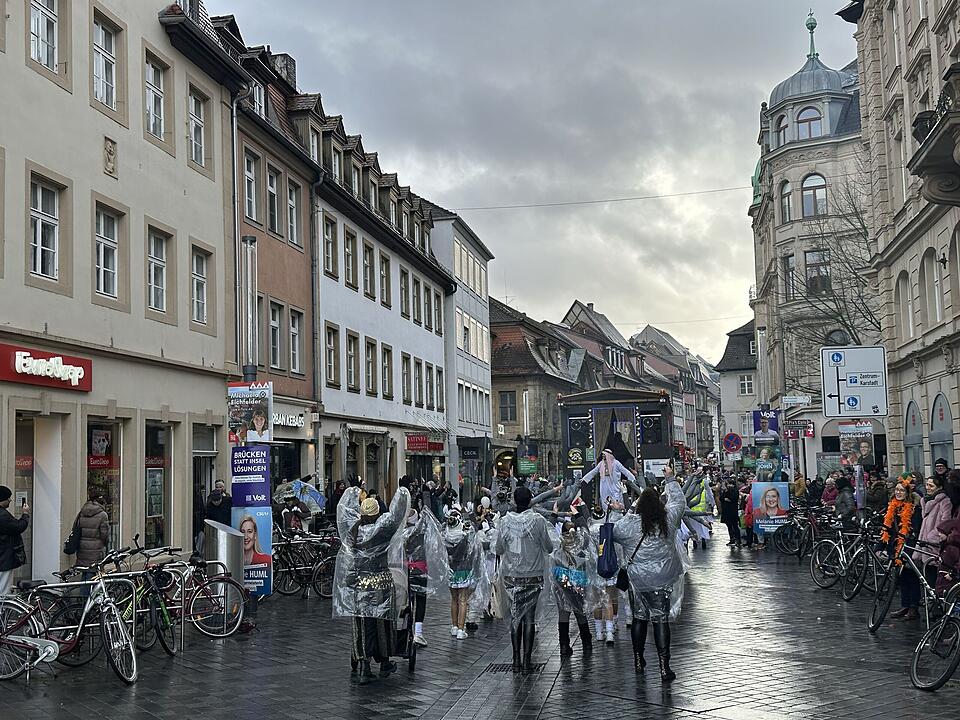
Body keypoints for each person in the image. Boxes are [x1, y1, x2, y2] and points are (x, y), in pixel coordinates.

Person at [611, 465, 686, 682]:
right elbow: (679, 502)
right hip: (662, 579)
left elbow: (614, 531)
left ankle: (638, 660)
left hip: (637, 580)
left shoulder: (631, 525)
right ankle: (664, 667)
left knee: (639, 618)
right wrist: (670, 479)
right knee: (660, 619)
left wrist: (625, 510)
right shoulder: (668, 521)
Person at [333, 483, 411, 684]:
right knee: (383, 623)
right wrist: (402, 493)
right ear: (377, 513)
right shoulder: (383, 529)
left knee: (362, 624)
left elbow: (343, 513)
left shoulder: (353, 531)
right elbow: (397, 515)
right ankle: (384, 662)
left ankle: (363, 665)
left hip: (360, 584)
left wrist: (352, 492)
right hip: (382, 582)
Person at [495, 486, 555, 674]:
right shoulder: (538, 521)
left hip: (512, 576)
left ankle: (515, 660)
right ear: (530, 501)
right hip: (533, 575)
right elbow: (549, 547)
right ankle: (527, 661)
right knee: (529, 618)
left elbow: (498, 549)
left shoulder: (505, 522)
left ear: (514, 500)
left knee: (515, 617)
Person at [551, 520, 600, 657]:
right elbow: (587, 533)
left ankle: (564, 645)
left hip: (562, 584)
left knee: (563, 614)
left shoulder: (558, 549)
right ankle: (586, 642)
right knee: (580, 613)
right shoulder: (581, 547)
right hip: (578, 584)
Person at [882, 476, 922, 621]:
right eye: (897, 490)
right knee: (902, 577)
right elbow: (886, 528)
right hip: (895, 546)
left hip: (907, 546)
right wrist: (881, 546)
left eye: (901, 490)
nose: (898, 493)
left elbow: (915, 528)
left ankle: (913, 608)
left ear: (907, 493)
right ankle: (905, 605)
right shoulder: (892, 506)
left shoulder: (913, 508)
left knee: (911, 577)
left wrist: (909, 549)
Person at [443, 507, 480, 640]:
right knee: (463, 600)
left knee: (453, 599)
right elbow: (475, 531)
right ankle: (460, 628)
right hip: (464, 569)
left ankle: (453, 626)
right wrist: (471, 513)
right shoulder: (464, 534)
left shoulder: (445, 534)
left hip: (451, 570)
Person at [0, 487, 30, 596]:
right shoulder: (2, 515)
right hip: (3, 557)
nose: (10, 500)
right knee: (3, 589)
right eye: (8, 498)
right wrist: (25, 514)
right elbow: (17, 527)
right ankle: (3, 610)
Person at [75, 487, 110, 568]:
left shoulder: (82, 512)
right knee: (93, 574)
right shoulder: (102, 515)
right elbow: (104, 535)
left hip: (82, 549)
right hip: (96, 550)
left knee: (84, 572)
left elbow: (77, 529)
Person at [719, 479, 742, 547]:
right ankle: (732, 539)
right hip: (726, 511)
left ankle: (738, 540)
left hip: (732, 511)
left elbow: (733, 498)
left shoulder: (734, 490)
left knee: (734, 526)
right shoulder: (726, 491)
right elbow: (721, 498)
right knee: (729, 526)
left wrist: (727, 497)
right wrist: (725, 498)